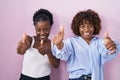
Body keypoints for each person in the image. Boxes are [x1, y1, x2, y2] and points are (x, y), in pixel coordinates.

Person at [52, 9, 120, 80]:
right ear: (77, 27)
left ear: (95, 26)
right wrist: (59, 44)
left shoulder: (99, 43)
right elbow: (63, 54)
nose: (87, 29)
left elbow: (108, 52)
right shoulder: (71, 42)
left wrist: (111, 46)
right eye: (83, 26)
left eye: (90, 26)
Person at [17, 8, 60, 80]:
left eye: (46, 29)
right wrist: (22, 47)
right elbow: (23, 47)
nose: (42, 33)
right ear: (35, 27)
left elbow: (56, 65)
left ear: (50, 27)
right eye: (39, 30)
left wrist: (48, 52)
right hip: (26, 78)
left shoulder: (53, 44)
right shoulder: (30, 40)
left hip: (45, 78)